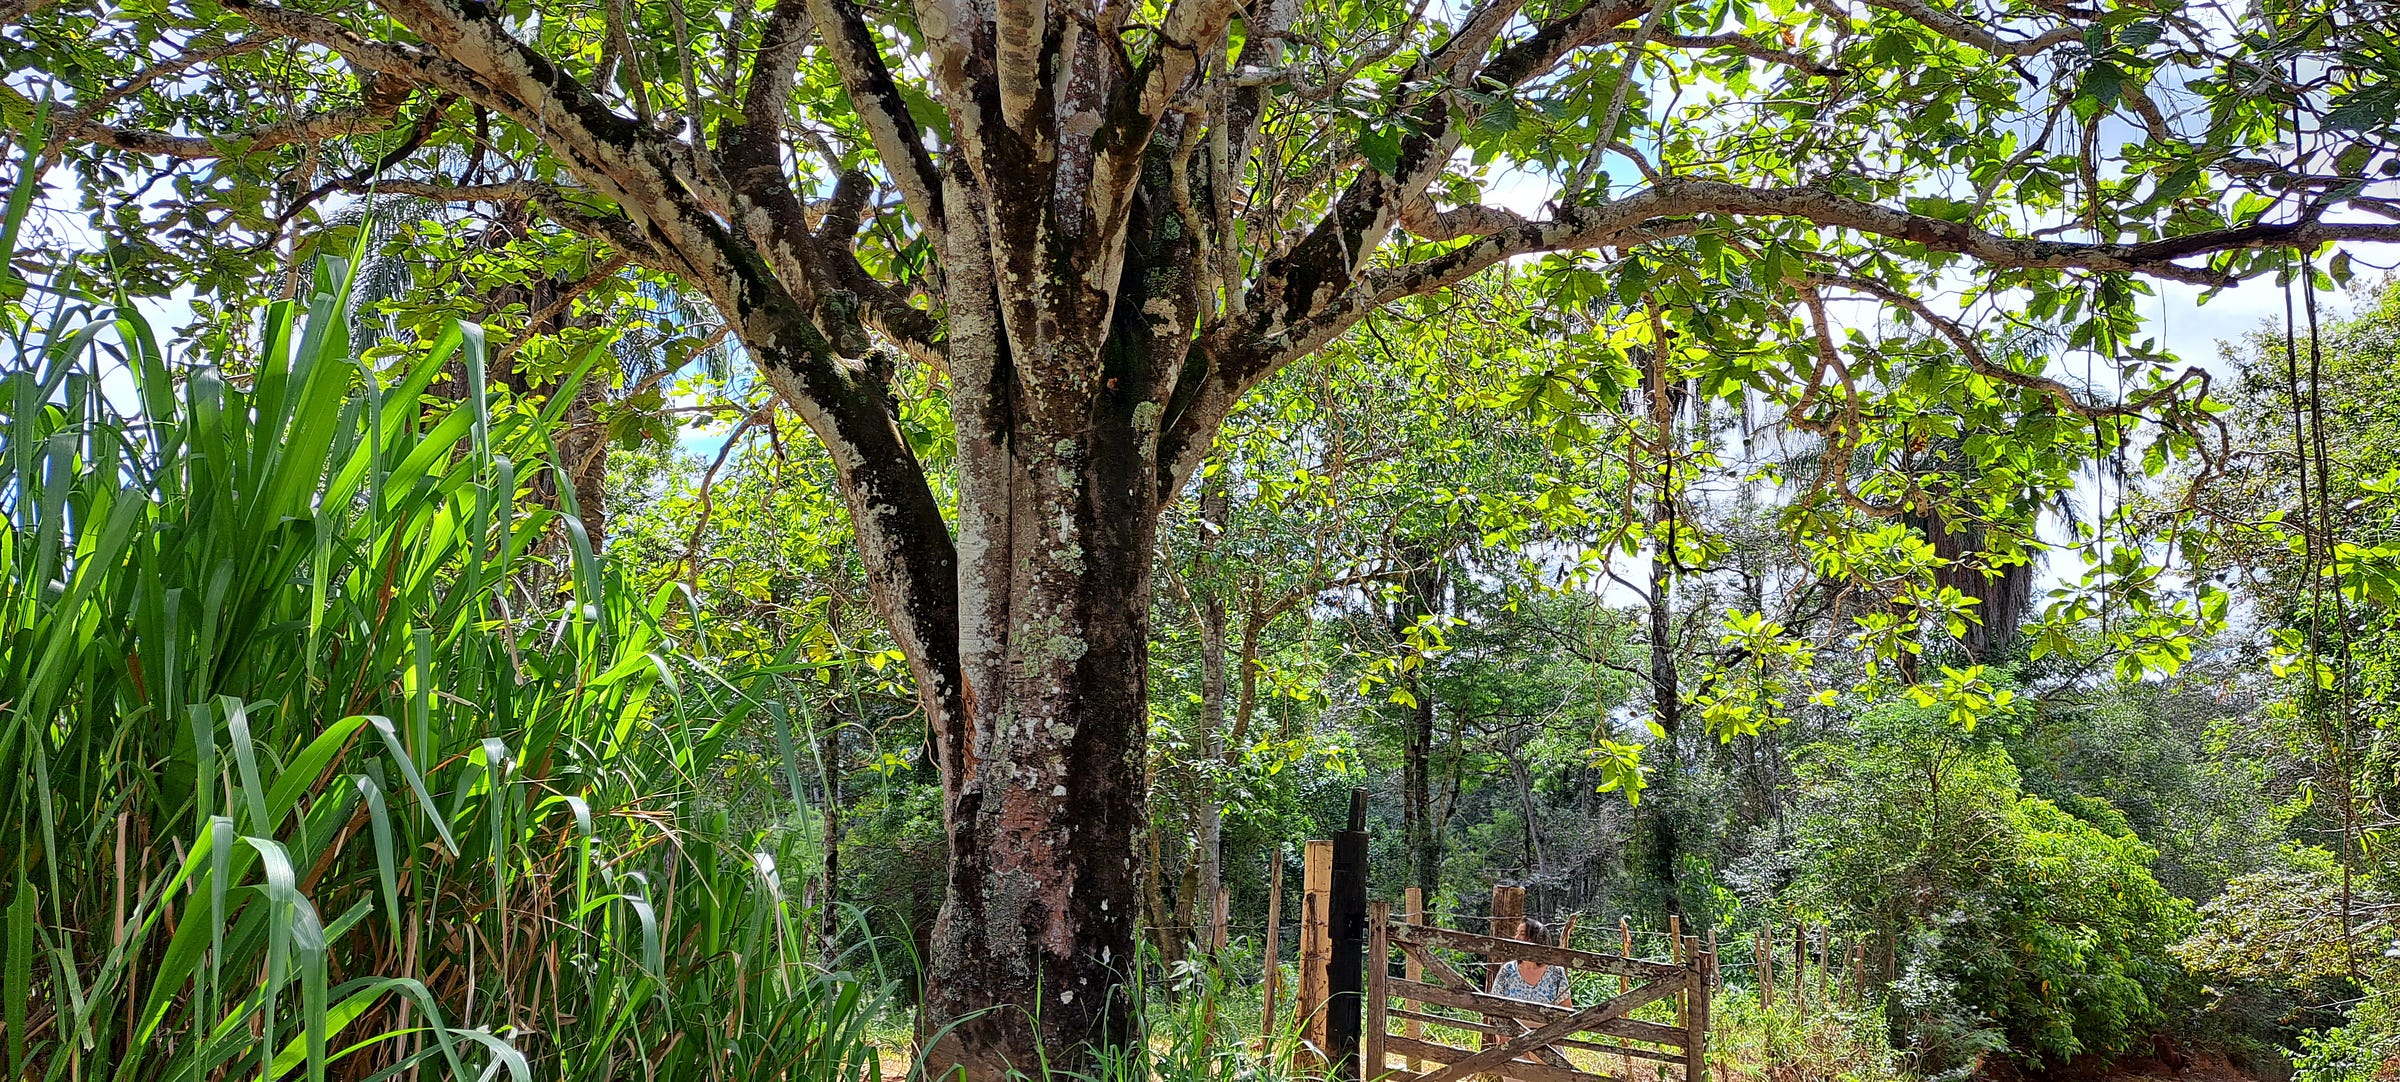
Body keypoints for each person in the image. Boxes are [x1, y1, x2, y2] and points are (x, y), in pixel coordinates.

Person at [1489, 918, 1572, 1006]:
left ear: (1535, 939)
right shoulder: (1508, 969)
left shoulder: (1556, 972)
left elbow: (1566, 1010)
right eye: (1516, 933)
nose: (1516, 938)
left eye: (1522, 934)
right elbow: (1494, 1005)